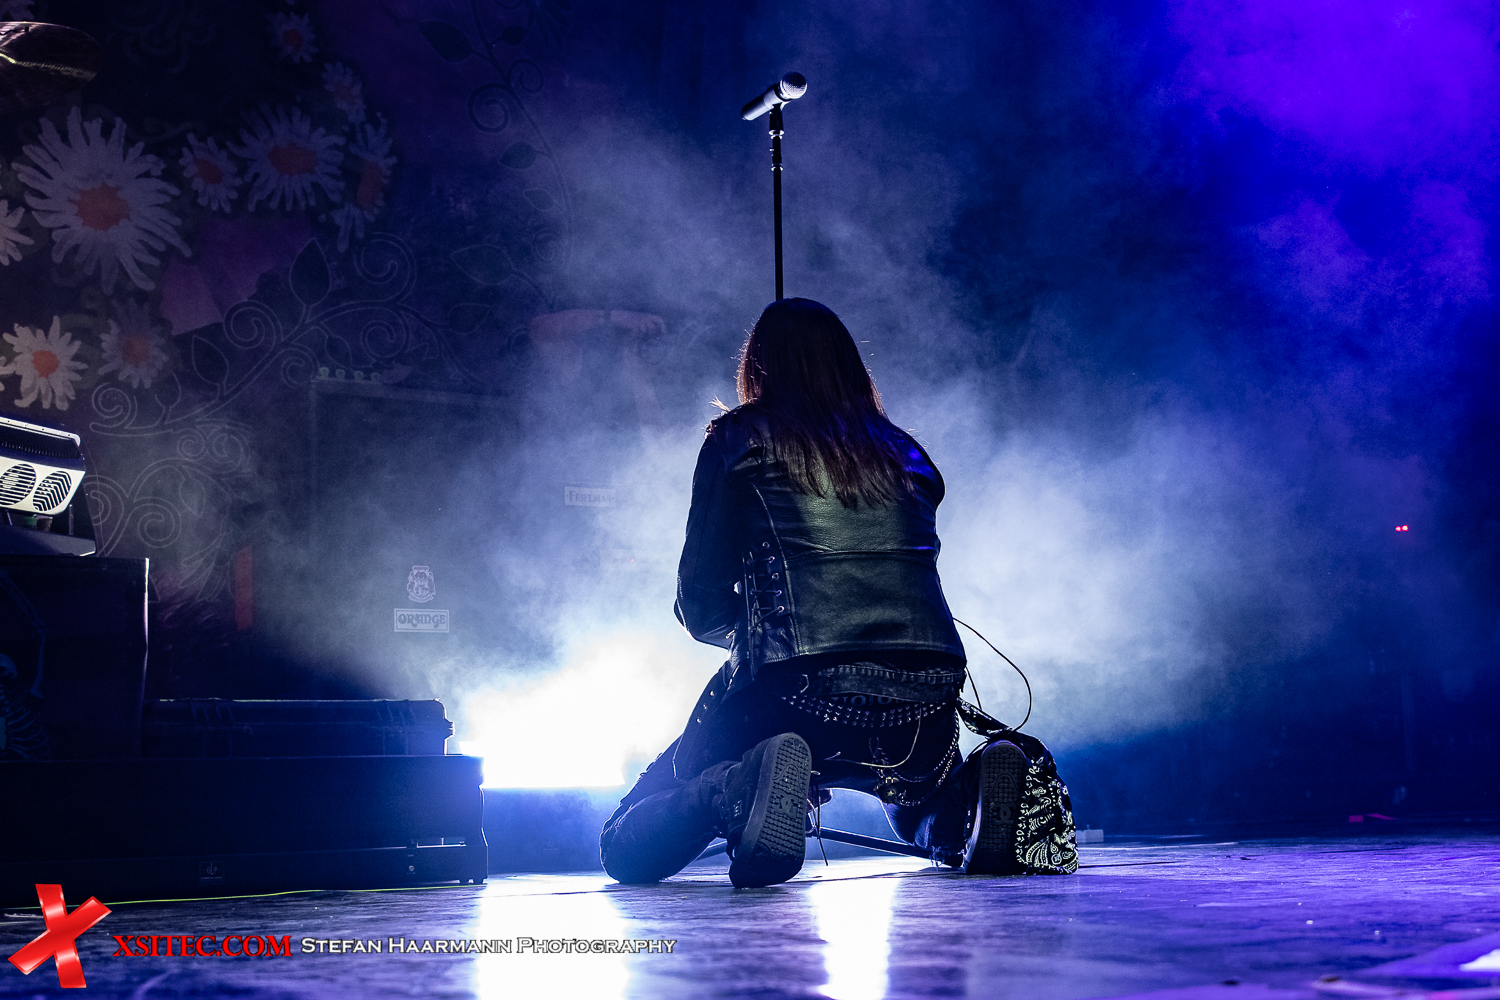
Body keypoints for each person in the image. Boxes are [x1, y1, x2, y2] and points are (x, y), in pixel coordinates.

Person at [599, 298, 1077, 888]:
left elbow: (699, 603)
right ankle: (972, 799)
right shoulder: (907, 453)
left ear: (758, 367)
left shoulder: (738, 438)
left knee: (624, 844)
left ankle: (735, 787)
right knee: (918, 800)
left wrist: (746, 634)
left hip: (794, 692)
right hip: (926, 697)